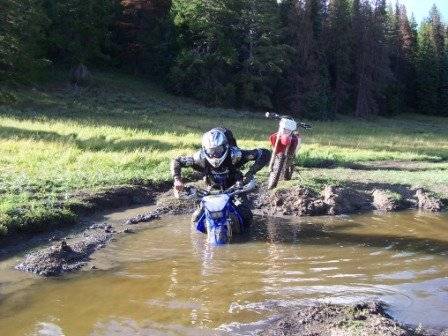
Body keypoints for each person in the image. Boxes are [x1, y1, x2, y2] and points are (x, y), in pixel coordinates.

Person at [170, 127, 270, 224]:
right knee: (196, 220)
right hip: (212, 189)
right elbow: (176, 161)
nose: (214, 154)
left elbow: (264, 153)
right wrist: (177, 179)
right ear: (205, 150)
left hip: (235, 187)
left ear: (226, 147)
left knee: (246, 218)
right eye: (211, 151)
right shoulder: (199, 158)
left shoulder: (235, 155)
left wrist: (250, 173)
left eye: (218, 150)